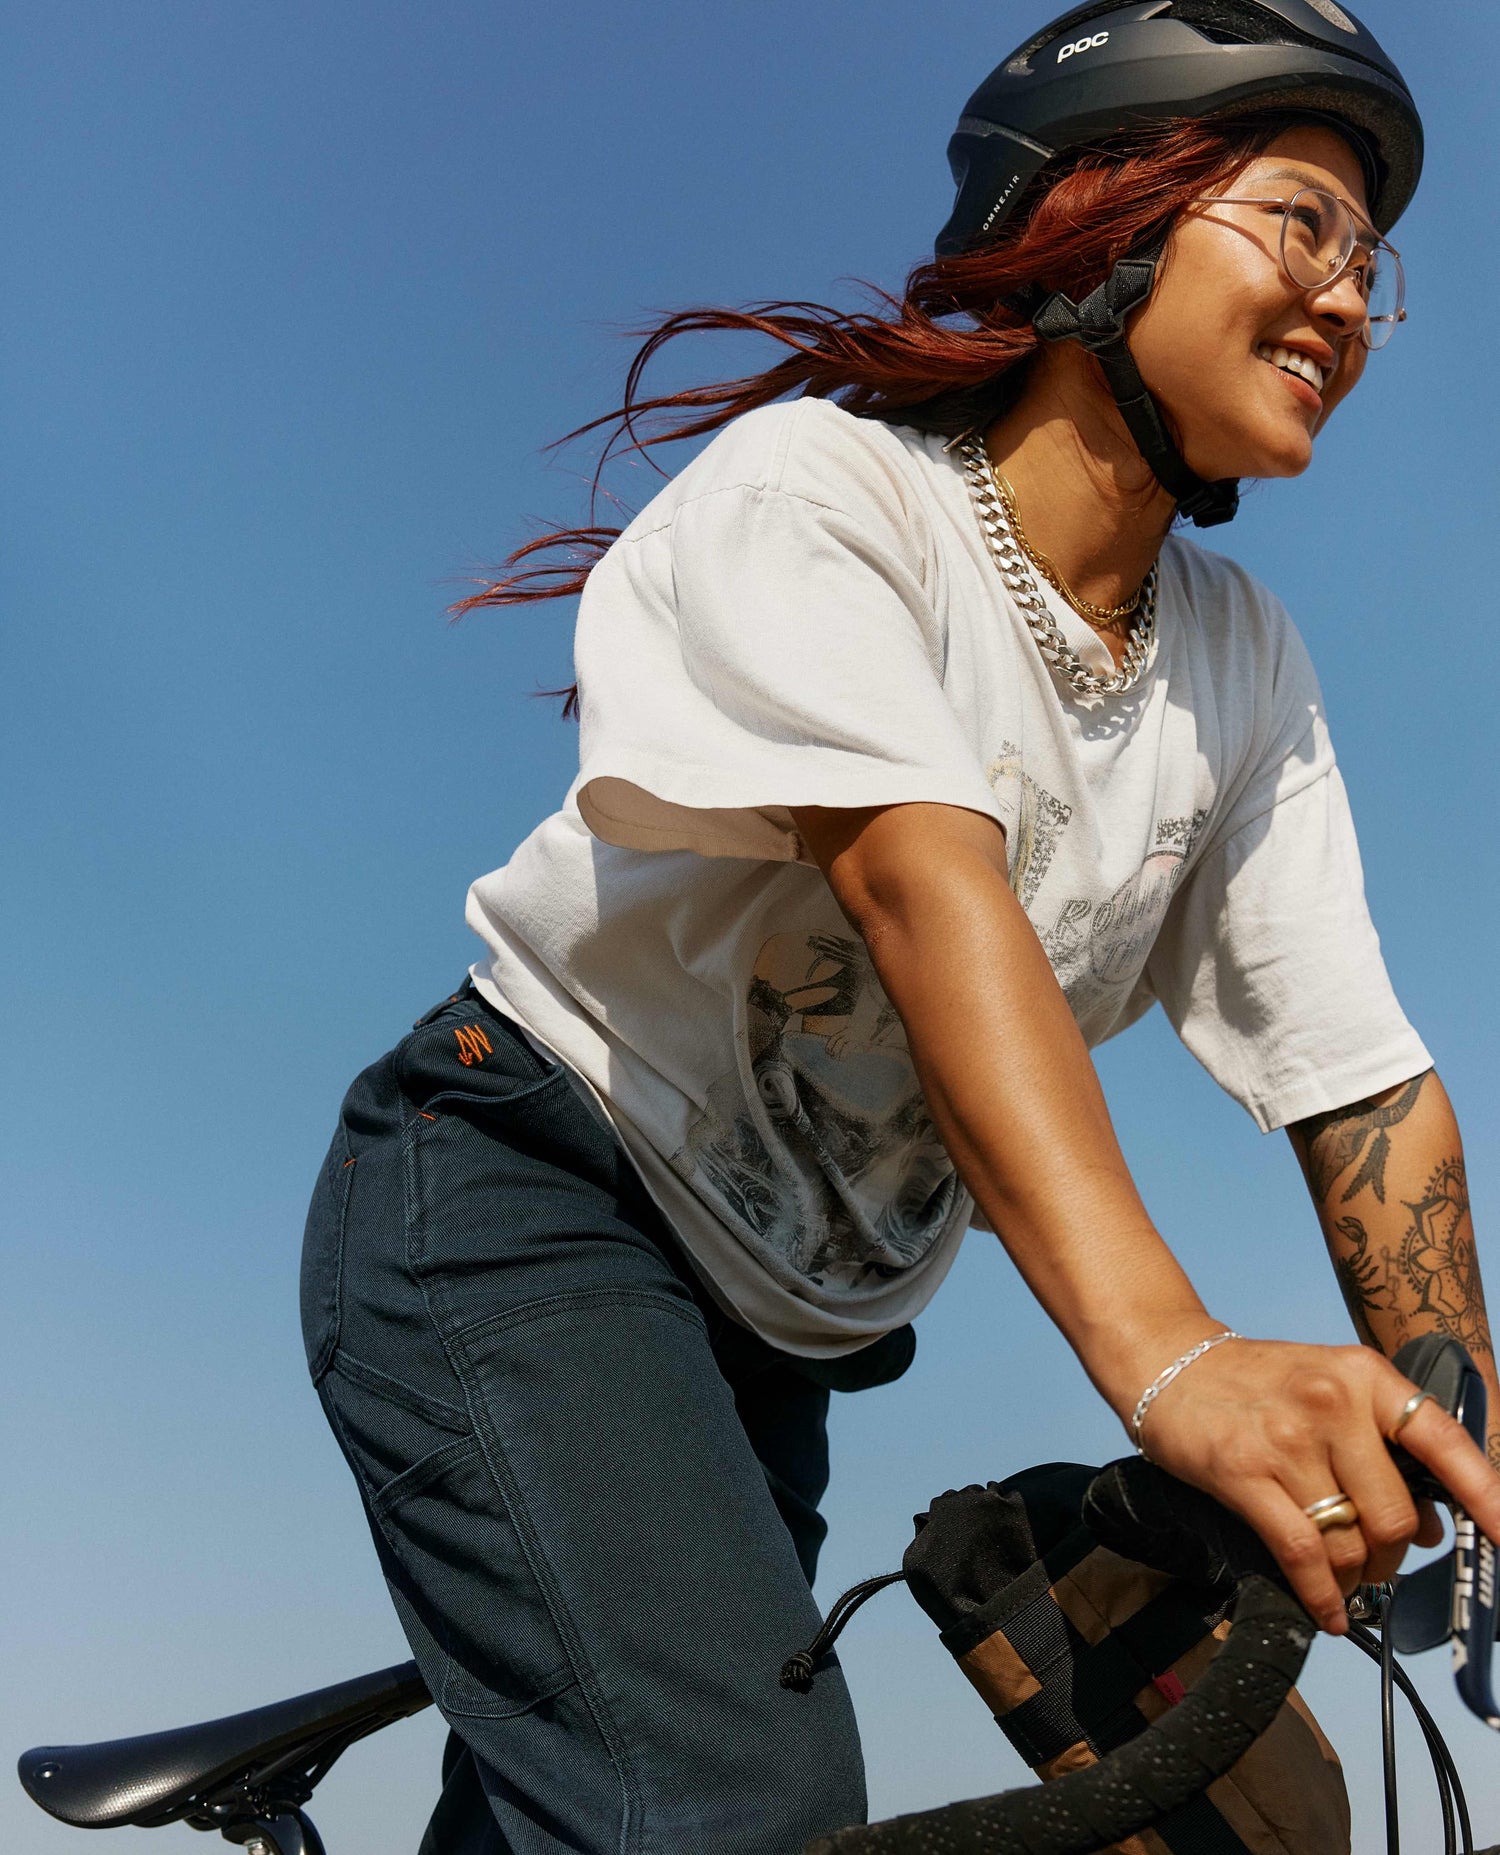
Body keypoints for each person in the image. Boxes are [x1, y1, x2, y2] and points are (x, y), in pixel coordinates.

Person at [299, 3, 1500, 1849]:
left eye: (1372, 263)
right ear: (1106, 217)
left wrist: (1479, 1492)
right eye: (1299, 226)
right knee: (738, 1813)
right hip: (524, 1202)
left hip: (767, 1347)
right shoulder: (827, 497)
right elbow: (931, 895)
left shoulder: (1243, 658)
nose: (1348, 300)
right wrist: (1176, 1360)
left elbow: (1364, 1089)